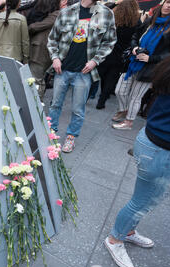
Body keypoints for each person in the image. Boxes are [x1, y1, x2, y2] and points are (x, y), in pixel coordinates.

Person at [104, 53, 170, 267]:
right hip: (160, 149)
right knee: (142, 202)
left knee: (144, 199)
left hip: (154, 143)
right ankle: (115, 239)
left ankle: (128, 232)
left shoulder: (169, 63)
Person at [46, 0, 117, 153]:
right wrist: (55, 58)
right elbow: (52, 39)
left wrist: (95, 61)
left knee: (78, 109)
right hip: (62, 69)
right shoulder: (67, 11)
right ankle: (50, 134)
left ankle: (71, 137)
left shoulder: (106, 13)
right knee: (55, 105)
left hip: (84, 72)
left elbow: (110, 42)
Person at [112, 0, 170, 130]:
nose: (169, 6)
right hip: (133, 62)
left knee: (135, 97)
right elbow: (135, 35)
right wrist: (134, 47)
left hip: (150, 68)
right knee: (119, 90)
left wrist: (151, 58)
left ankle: (129, 122)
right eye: (168, 2)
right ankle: (124, 110)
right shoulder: (151, 20)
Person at [95, 0, 141, 110]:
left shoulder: (113, 18)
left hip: (107, 51)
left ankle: (91, 96)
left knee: (101, 75)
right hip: (121, 55)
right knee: (112, 77)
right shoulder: (136, 22)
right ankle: (102, 100)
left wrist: (115, 4)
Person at [27, 0, 66, 99]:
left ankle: (37, 104)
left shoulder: (57, 14)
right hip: (41, 51)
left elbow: (35, 27)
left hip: (41, 53)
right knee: (37, 78)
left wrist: (26, 27)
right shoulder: (54, 14)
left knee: (37, 79)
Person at [0, 0, 30, 64]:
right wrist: (26, 57)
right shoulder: (21, 19)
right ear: (18, 4)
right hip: (15, 56)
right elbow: (25, 41)